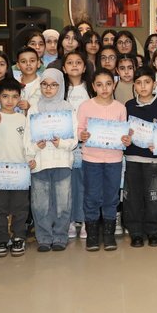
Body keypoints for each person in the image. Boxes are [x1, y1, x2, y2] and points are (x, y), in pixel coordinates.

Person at [77, 69, 132, 251]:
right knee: (91, 196)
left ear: (114, 85)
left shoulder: (120, 108)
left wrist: (126, 139)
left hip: (114, 159)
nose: (104, 88)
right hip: (91, 159)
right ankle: (92, 235)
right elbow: (79, 130)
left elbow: (123, 134)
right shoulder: (85, 106)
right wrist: (82, 135)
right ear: (93, 86)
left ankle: (109, 235)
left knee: (111, 197)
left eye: (108, 84)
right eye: (99, 85)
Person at [0, 77, 34, 257]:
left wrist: (30, 159)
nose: (10, 101)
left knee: (20, 208)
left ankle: (18, 237)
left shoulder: (23, 119)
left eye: (14, 96)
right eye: (5, 96)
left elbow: (28, 144)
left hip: (20, 173)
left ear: (19, 98)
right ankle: (1, 238)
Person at [26, 69, 75, 252]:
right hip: (40, 162)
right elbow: (27, 139)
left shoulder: (68, 109)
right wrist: (33, 150)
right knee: (40, 204)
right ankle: (44, 237)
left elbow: (74, 139)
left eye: (53, 85)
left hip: (62, 161)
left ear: (60, 86)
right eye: (44, 84)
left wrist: (61, 143)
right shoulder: (34, 109)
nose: (48, 88)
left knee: (63, 203)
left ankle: (60, 236)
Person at [124, 66, 157, 247]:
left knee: (154, 197)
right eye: (139, 83)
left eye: (147, 82)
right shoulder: (128, 106)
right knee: (133, 197)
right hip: (133, 159)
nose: (143, 86)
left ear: (154, 84)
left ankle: (153, 231)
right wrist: (125, 138)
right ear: (134, 85)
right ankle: (135, 232)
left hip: (154, 161)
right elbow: (123, 131)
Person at [63, 51, 93, 240]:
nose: (74, 65)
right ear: (64, 68)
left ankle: (85, 220)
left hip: (86, 144)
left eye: (78, 62)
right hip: (64, 145)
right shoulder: (60, 90)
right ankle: (70, 220)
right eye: (70, 62)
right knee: (68, 185)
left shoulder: (90, 89)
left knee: (85, 184)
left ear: (84, 67)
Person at [15, 47, 42, 113]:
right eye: (23, 61)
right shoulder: (12, 84)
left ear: (38, 63)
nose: (28, 64)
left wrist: (29, 108)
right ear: (18, 65)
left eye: (32, 61)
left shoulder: (44, 85)